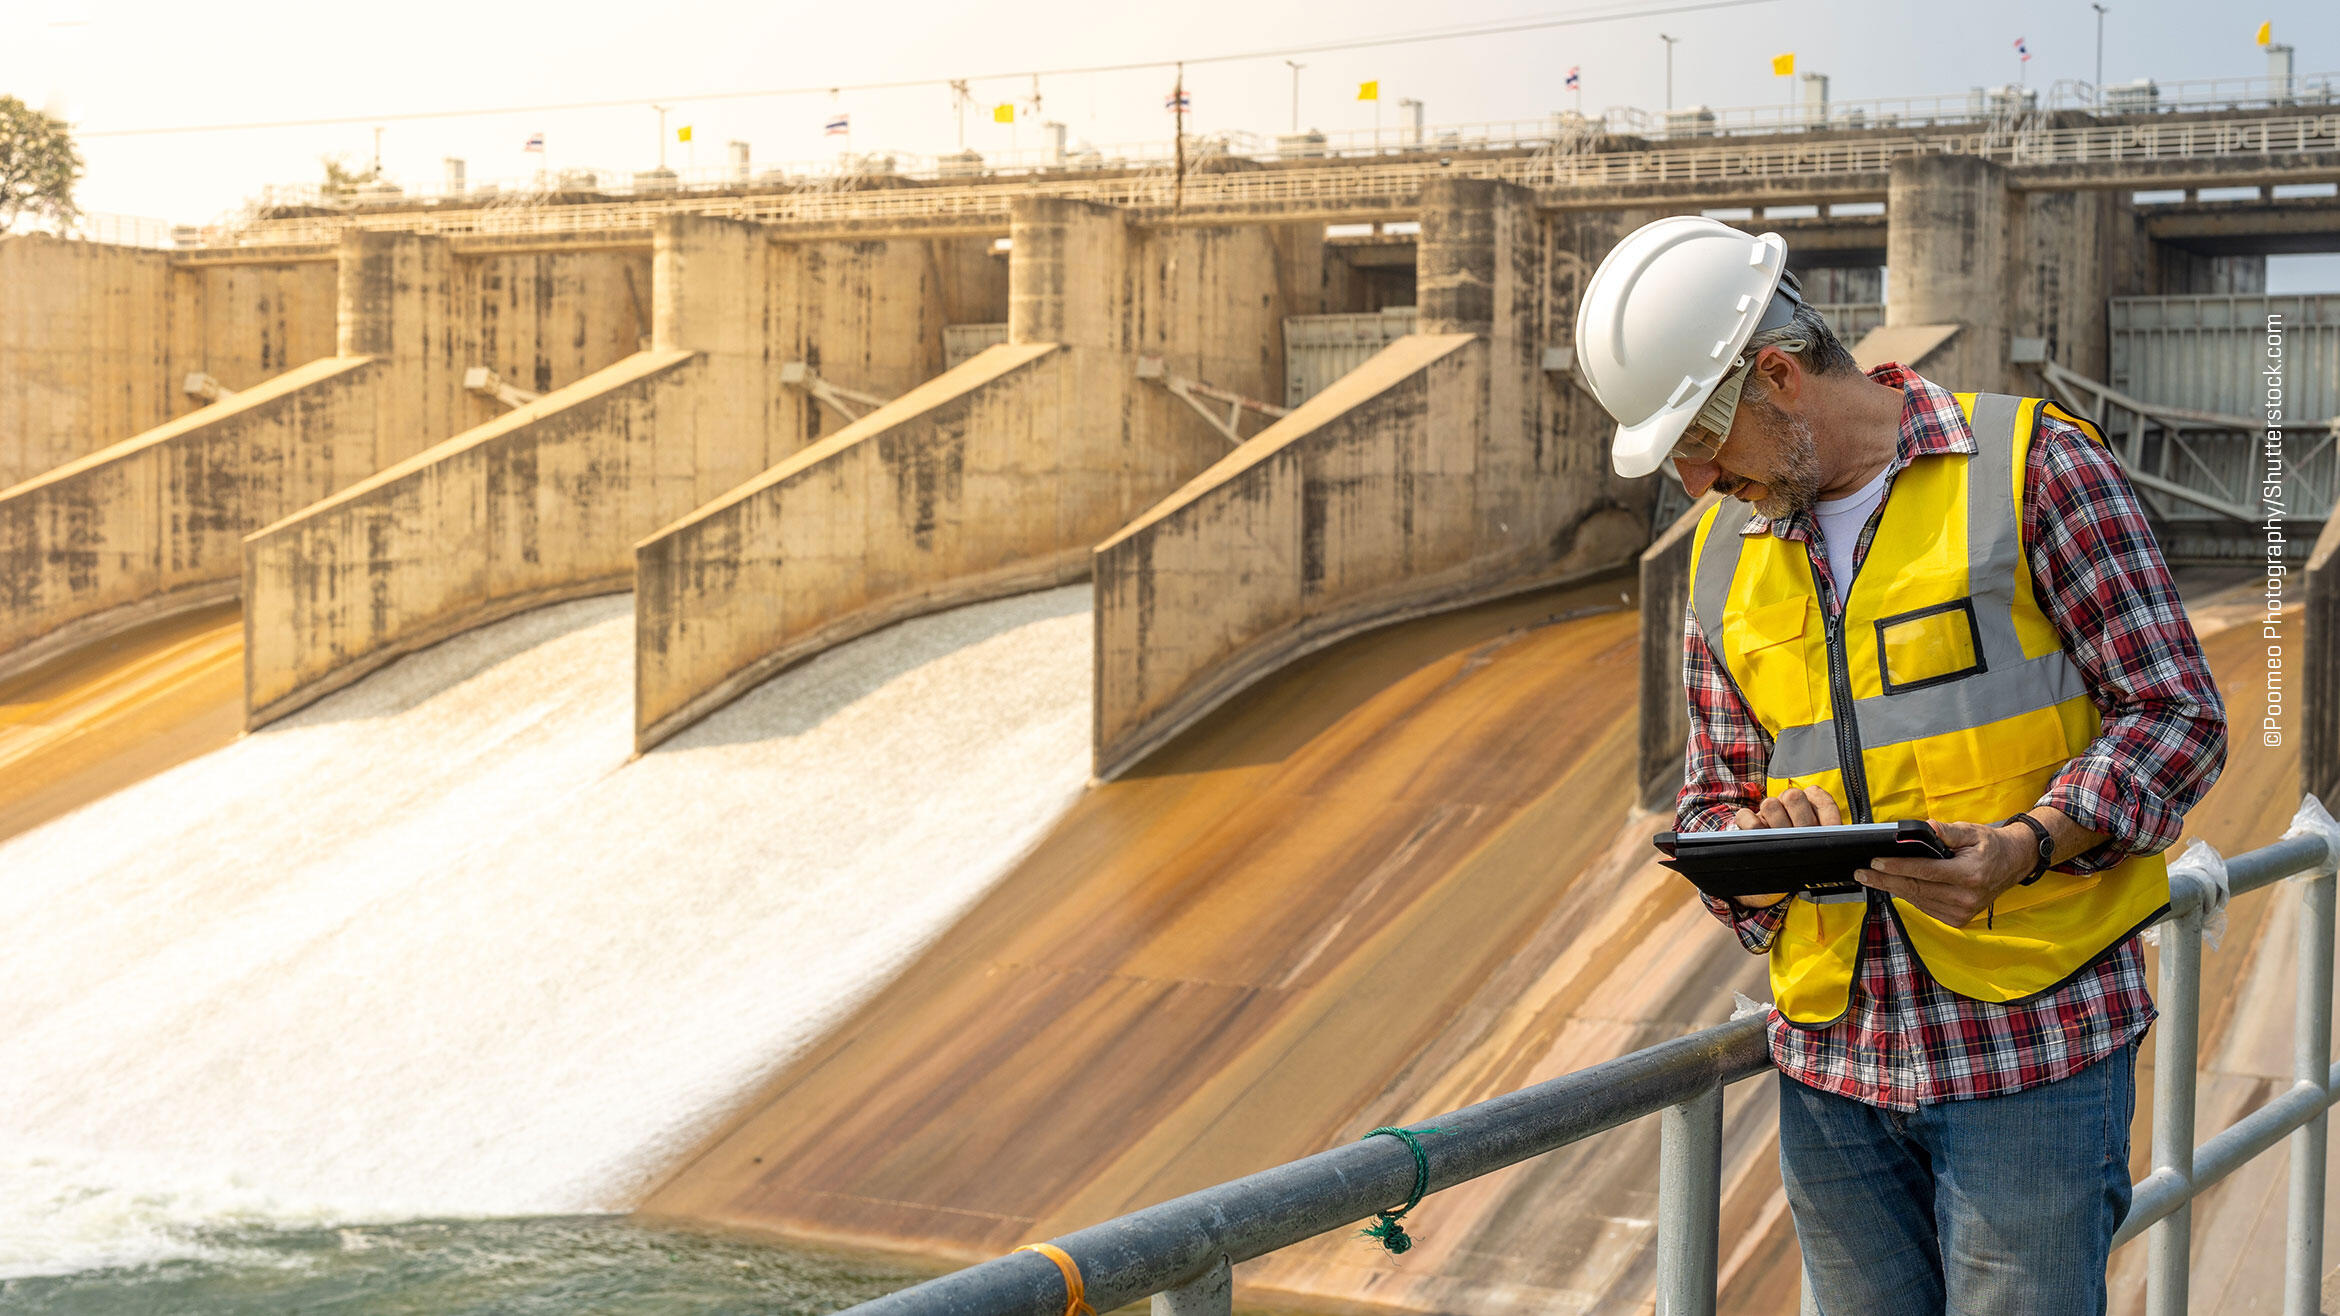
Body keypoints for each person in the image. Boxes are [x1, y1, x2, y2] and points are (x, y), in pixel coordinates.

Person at [1573, 216, 2227, 1315]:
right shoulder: (1723, 558)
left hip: (2031, 1050)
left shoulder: (2034, 468)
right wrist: (1755, 850)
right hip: (1834, 1075)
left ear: (1777, 375)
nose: (1693, 481)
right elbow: (1711, 796)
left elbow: (2177, 712)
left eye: (1697, 439)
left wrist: (2031, 843)